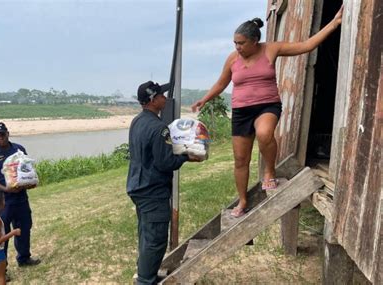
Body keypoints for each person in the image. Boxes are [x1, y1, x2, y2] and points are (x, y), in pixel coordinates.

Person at [191, 7, 343, 218]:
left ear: (255, 41)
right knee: (240, 160)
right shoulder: (233, 59)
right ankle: (243, 200)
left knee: (264, 134)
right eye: (235, 43)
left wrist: (334, 23)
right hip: (241, 111)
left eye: (241, 43)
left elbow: (306, 45)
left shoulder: (271, 49)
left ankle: (269, 171)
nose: (237, 47)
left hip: (267, 106)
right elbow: (221, 83)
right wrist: (204, 99)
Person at [127, 81, 202, 284]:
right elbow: (166, 162)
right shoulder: (159, 128)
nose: (165, 98)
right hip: (153, 190)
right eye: (161, 95)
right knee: (155, 239)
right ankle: (144, 280)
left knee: (146, 233)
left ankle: (143, 273)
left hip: (137, 186)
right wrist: (187, 156)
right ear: (153, 100)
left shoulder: (137, 121)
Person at [0, 122, 40, 276]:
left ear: (8, 133)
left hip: (21, 198)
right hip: (3, 202)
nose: (1, 137)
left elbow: (27, 170)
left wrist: (29, 183)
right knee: (2, 235)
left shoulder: (19, 149)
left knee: (24, 228)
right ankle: (3, 270)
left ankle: (24, 258)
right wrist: (5, 189)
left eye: (3, 134)